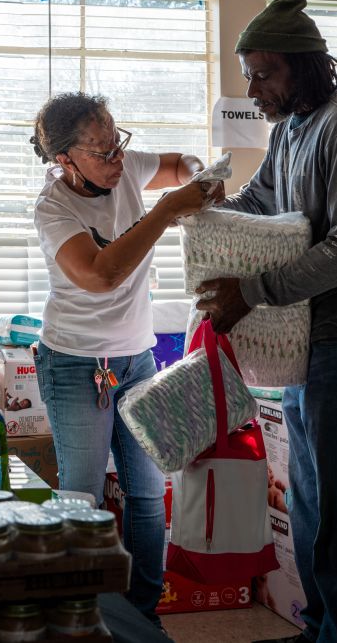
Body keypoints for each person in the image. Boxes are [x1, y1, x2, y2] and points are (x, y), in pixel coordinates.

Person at [195, 0, 337, 643]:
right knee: (315, 505)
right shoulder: (293, 126)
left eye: (263, 73)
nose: (253, 89)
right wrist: (207, 215)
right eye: (249, 75)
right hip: (309, 347)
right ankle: (326, 628)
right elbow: (262, 197)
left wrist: (255, 288)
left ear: (304, 66)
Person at [30, 92, 219, 625]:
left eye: (118, 145)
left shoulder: (125, 167)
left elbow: (179, 164)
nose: (117, 160)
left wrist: (199, 176)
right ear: (64, 160)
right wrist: (167, 209)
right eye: (100, 152)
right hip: (75, 364)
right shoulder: (54, 209)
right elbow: (100, 274)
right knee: (83, 493)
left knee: (145, 491)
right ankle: (83, 616)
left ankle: (142, 615)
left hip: (136, 359)